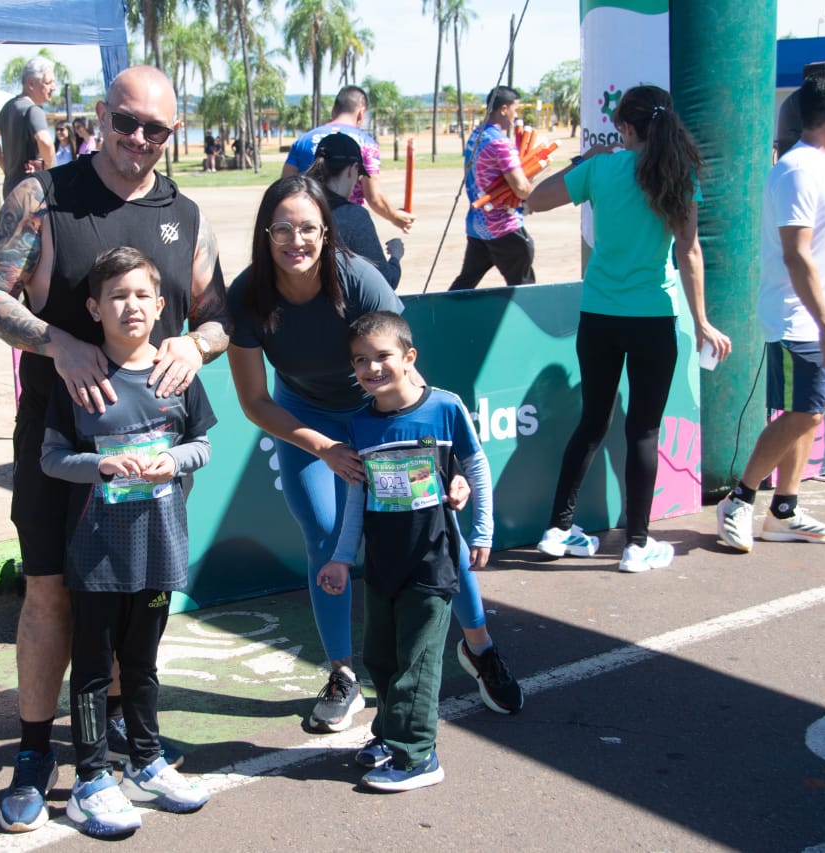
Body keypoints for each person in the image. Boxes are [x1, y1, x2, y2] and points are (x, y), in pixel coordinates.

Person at [0, 64, 228, 834]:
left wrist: (197, 344)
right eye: (126, 122)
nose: (139, 140)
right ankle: (33, 753)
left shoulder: (185, 212)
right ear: (98, 115)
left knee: (135, 601)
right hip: (64, 444)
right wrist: (58, 343)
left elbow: (220, 314)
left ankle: (124, 739)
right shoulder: (43, 197)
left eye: (157, 129)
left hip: (150, 448)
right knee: (50, 595)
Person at [227, 175, 523, 736]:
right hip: (307, 421)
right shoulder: (248, 295)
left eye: (308, 228)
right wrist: (325, 447)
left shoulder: (360, 281)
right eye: (283, 229)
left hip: (382, 415)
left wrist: (449, 466)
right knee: (323, 536)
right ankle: (342, 675)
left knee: (432, 529)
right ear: (266, 234)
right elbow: (255, 401)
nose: (296, 240)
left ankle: (480, 647)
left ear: (326, 230)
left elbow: (407, 377)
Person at [39, 247, 214, 838]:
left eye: (142, 295)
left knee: (141, 665)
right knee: (92, 670)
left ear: (161, 305)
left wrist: (170, 459)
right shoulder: (79, 380)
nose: (130, 305)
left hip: (160, 550)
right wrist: (102, 467)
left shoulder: (178, 376)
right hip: (97, 558)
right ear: (94, 308)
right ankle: (91, 778)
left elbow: (202, 447)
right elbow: (53, 459)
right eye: (117, 295)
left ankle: (145, 761)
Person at [526, 85, 731, 573]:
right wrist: (701, 321)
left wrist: (585, 160)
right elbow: (690, 252)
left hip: (599, 317)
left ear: (627, 128)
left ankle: (558, 529)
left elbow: (534, 200)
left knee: (593, 422)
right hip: (653, 319)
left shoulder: (601, 168)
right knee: (643, 430)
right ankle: (636, 545)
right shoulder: (676, 174)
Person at [318, 310, 494, 792]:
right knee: (383, 656)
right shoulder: (358, 425)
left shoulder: (444, 408)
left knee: (417, 660)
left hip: (431, 561)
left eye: (383, 357)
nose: (372, 368)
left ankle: (418, 755)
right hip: (382, 564)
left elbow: (474, 468)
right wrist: (340, 555)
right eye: (360, 361)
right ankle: (389, 734)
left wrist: (481, 530)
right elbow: (358, 495)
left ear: (409, 358)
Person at [715, 73, 825, 552]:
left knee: (809, 414)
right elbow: (796, 255)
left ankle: (784, 511)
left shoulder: (816, 167)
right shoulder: (799, 170)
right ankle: (739, 499)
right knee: (801, 415)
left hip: (814, 317)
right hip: (801, 319)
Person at [282, 86, 415, 233]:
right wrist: (395, 217)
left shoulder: (302, 141)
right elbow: (374, 197)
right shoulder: (366, 144)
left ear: (334, 111)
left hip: (307, 226)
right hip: (345, 226)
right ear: (361, 113)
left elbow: (285, 188)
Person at [449, 86, 537, 290]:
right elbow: (521, 187)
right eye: (515, 110)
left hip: (477, 225)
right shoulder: (500, 143)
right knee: (524, 290)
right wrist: (535, 192)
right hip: (503, 227)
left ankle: (442, 318)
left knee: (465, 285)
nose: (516, 116)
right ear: (504, 109)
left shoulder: (476, 136)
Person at [305, 132, 402, 289]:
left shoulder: (293, 207)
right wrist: (396, 256)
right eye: (358, 174)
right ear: (352, 169)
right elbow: (385, 281)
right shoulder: (353, 216)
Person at [0, 57, 56, 198]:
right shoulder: (33, 110)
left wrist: (7, 167)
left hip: (11, 190)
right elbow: (45, 141)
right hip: (33, 192)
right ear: (31, 84)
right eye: (48, 82)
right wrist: (48, 168)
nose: (54, 87)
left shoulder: (9, 107)